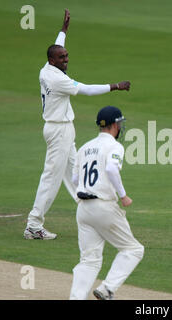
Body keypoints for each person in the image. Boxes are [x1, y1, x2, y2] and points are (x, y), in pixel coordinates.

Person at [24, 9, 131, 240]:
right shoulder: (58, 79)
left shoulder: (47, 68)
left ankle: (92, 217)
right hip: (58, 130)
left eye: (67, 56)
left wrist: (63, 30)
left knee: (78, 173)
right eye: (62, 58)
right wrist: (115, 86)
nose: (66, 60)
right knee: (51, 179)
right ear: (53, 61)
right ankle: (34, 225)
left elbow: (55, 46)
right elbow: (86, 89)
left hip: (62, 129)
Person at [69, 106, 144, 300]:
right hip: (103, 207)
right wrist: (123, 195)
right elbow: (111, 169)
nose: (120, 127)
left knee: (89, 260)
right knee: (133, 249)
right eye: (119, 124)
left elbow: (75, 178)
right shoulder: (114, 146)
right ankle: (107, 289)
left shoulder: (85, 147)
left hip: (83, 209)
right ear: (114, 125)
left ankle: (76, 298)